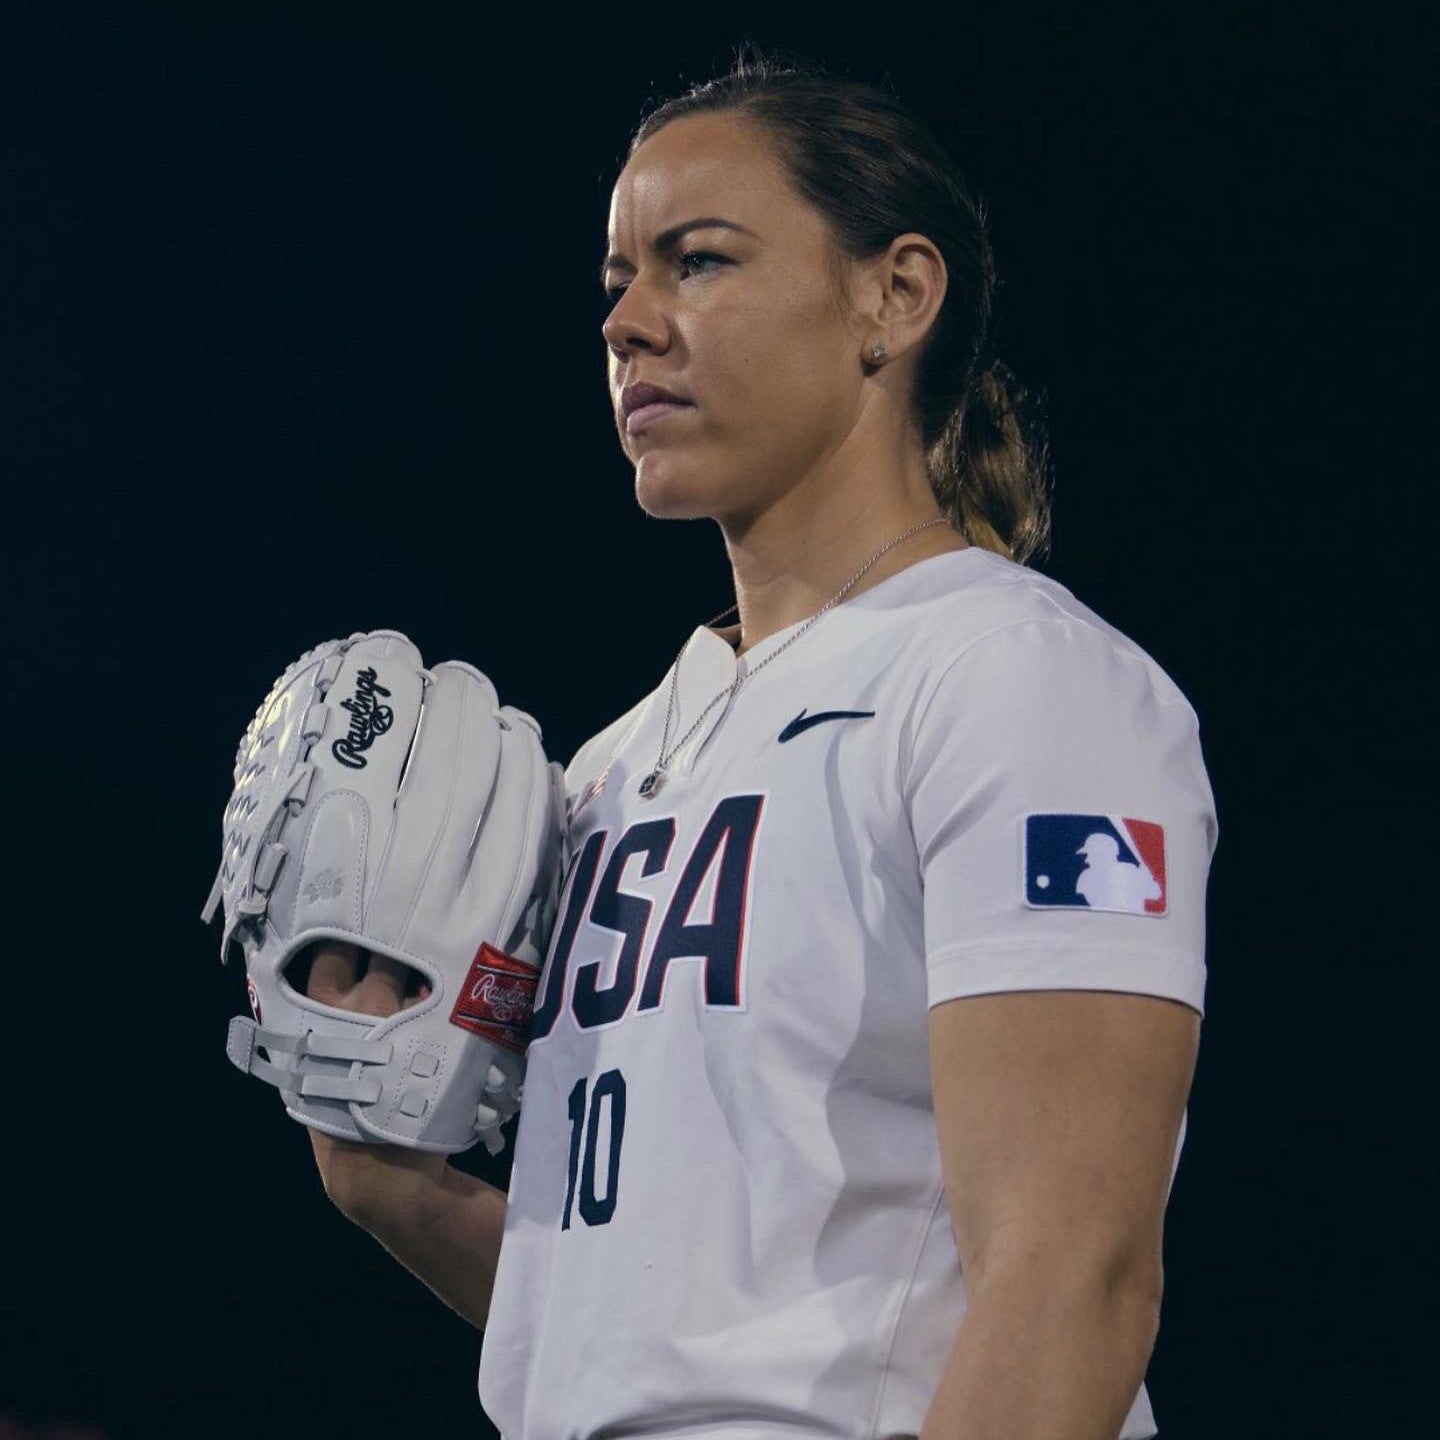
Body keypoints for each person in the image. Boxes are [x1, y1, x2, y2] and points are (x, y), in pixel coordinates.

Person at [301, 47, 1214, 1440]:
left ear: (894, 296)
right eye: (616, 284)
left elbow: (1074, 1278)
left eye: (699, 262)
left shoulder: (1015, 680)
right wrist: (394, 1188)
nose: (630, 323)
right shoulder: (601, 774)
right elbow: (661, 1340)